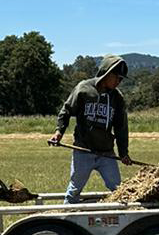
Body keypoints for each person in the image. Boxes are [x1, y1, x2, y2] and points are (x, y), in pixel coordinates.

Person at [48, 56, 133, 201]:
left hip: (106, 153)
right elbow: (66, 111)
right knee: (74, 190)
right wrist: (58, 133)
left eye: (121, 79)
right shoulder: (84, 89)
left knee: (119, 190)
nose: (119, 82)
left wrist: (123, 152)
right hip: (83, 150)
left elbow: (121, 127)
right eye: (117, 77)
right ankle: (66, 218)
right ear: (107, 73)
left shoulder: (117, 98)